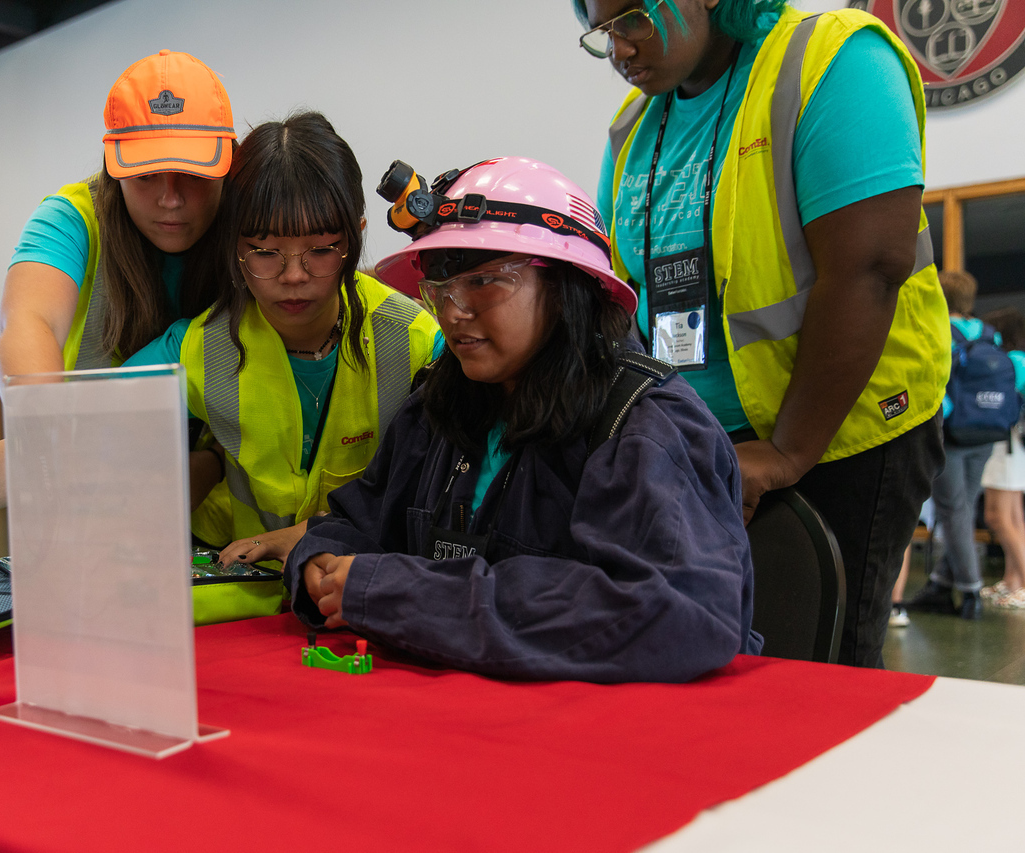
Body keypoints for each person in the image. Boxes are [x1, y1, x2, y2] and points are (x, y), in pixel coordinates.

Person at [285, 157, 762, 683]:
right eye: (439, 291)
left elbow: (676, 613)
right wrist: (320, 562)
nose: (453, 312)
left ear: (567, 287)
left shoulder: (645, 426)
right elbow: (359, 522)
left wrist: (403, 595)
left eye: (484, 282)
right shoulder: (437, 408)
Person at [579, 0, 948, 666]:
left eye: (631, 19)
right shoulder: (632, 129)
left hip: (839, 439)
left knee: (817, 673)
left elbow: (869, 267)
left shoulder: (833, 59)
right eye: (603, 32)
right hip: (703, 453)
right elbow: (620, 298)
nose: (619, 51)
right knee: (715, 670)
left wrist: (786, 452)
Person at [126, 111, 441, 566]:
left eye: (321, 250)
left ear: (356, 237)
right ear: (234, 247)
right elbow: (87, 423)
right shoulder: (197, 347)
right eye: (265, 253)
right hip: (236, 584)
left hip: (358, 586)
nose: (294, 276)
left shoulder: (415, 341)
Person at [0, 50, 236, 526]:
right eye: (144, 176)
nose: (170, 198)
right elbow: (29, 321)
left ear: (227, 160)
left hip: (219, 496)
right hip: (79, 472)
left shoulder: (253, 230)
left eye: (192, 174)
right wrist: (47, 426)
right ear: (112, 165)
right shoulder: (71, 218)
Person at [907, 271, 1012, 619]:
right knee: (963, 508)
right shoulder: (988, 333)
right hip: (986, 433)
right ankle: (940, 582)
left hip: (950, 434)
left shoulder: (938, 329)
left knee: (953, 512)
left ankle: (970, 592)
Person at [978, 306, 1025, 610]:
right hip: (1016, 446)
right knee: (1014, 517)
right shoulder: (1019, 360)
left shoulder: (1010, 362)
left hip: (1005, 444)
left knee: (997, 516)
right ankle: (1012, 581)